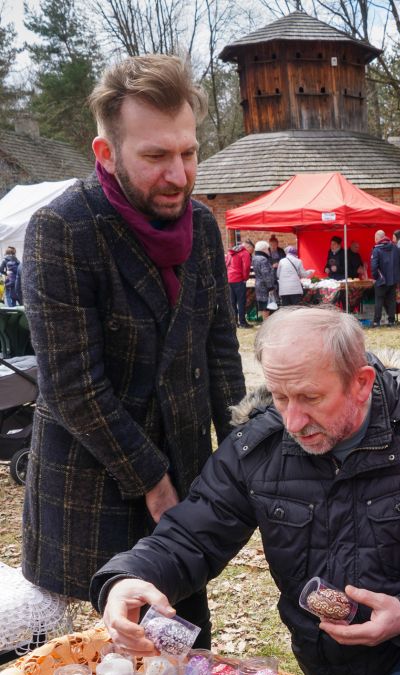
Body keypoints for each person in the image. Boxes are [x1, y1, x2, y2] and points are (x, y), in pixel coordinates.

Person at [92, 306, 400, 675]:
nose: (293, 421)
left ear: (361, 383)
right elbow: (191, 533)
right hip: (329, 654)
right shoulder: (259, 448)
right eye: (279, 397)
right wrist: (128, 578)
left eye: (311, 398)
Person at [21, 54, 245, 640]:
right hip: (91, 495)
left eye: (188, 153)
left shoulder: (201, 226)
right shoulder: (62, 229)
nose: (178, 174)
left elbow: (220, 353)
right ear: (107, 153)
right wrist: (154, 481)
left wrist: (250, 459)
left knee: (186, 660)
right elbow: (73, 386)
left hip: (184, 485)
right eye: (155, 157)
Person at [370, 230, 400, 326]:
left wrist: (376, 277)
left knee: (379, 300)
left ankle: (376, 322)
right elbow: (398, 262)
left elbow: (374, 266)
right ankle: (391, 321)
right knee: (391, 300)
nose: (374, 240)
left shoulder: (376, 249)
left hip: (381, 279)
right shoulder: (394, 247)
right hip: (393, 279)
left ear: (378, 238)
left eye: (375, 238)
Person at [226, 238, 254, 329]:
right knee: (241, 302)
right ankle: (242, 322)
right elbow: (246, 267)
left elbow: (226, 264)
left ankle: (234, 322)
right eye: (251, 250)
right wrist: (245, 279)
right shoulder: (244, 253)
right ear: (248, 247)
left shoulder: (231, 252)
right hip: (239, 280)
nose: (251, 253)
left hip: (229, 279)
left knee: (232, 302)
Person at [251, 240, 276, 320]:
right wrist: (270, 287)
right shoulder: (263, 259)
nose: (269, 250)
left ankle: (265, 322)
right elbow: (266, 274)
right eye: (267, 248)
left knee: (263, 306)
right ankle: (266, 324)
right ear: (264, 249)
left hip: (259, 284)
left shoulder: (255, 258)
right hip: (265, 286)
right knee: (266, 306)